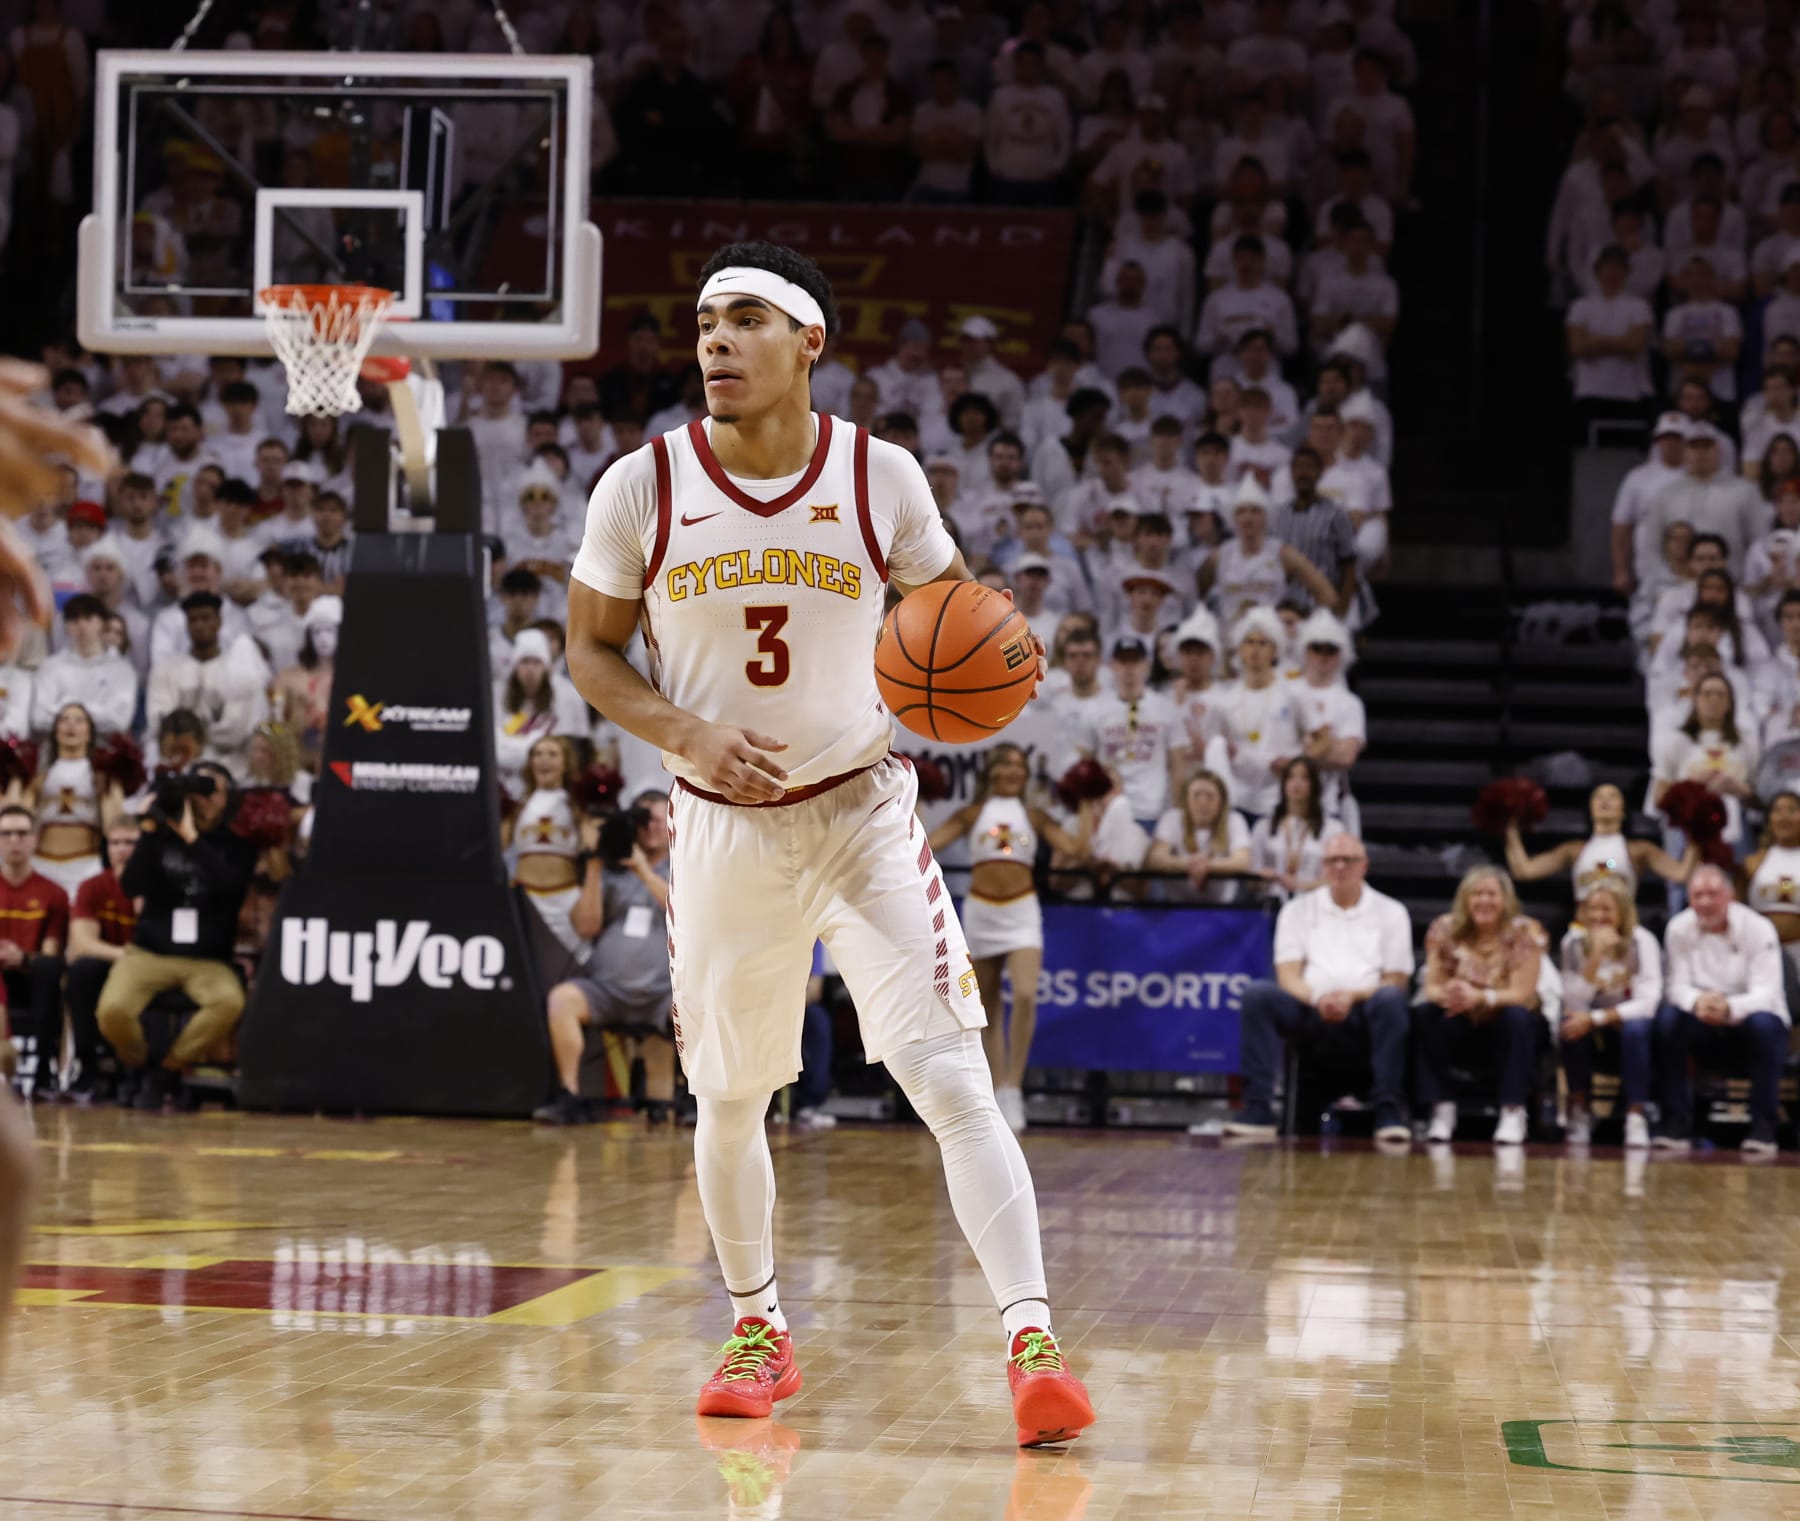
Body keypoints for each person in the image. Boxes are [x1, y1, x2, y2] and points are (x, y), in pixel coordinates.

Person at [566, 241, 1092, 1443]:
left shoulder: (881, 477)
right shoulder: (640, 486)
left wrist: (985, 667)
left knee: (949, 1076)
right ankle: (757, 1327)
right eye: (704, 321)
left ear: (809, 340)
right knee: (732, 1094)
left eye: (744, 318)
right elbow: (591, 652)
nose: (714, 341)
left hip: (861, 808)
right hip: (720, 827)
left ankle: (1031, 1339)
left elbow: (953, 622)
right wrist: (684, 731)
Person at [929, 744, 1091, 1133]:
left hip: (1021, 911)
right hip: (982, 910)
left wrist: (1085, 803)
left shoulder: (1034, 816)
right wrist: (918, 804)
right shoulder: (972, 813)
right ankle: (994, 1092)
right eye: (1007, 763)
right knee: (986, 1009)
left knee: (1024, 995)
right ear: (992, 770)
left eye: (1020, 765)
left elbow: (1076, 849)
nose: (1014, 771)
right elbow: (927, 844)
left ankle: (1013, 1087)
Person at [1227, 831, 1414, 1140]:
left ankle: (1388, 1111)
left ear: (1364, 865)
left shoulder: (1391, 912)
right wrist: (1319, 999)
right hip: (1309, 1010)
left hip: (1364, 1012)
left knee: (1392, 999)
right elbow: (1287, 975)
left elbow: (1396, 978)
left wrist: (1350, 997)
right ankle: (1257, 1109)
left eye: (1348, 860)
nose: (1340, 867)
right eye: (1332, 861)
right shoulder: (1296, 910)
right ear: (1322, 867)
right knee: (1258, 995)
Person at [95, 762, 255, 1112]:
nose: (205, 799)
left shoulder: (237, 846)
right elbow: (130, 886)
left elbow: (230, 886)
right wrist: (151, 832)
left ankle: (168, 1070)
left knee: (228, 1002)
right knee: (112, 1010)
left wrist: (193, 840)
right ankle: (138, 1064)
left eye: (213, 791)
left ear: (228, 798)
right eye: (198, 791)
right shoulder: (160, 838)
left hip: (207, 959)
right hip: (149, 952)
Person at [534, 791, 678, 1129]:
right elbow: (586, 927)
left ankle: (681, 1104)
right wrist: (596, 863)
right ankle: (568, 1095)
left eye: (659, 819)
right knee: (562, 1000)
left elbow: (683, 913)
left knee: (696, 1006)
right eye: (644, 820)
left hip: (662, 993)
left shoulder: (683, 864)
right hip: (607, 990)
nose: (652, 828)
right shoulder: (613, 871)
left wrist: (644, 872)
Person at [1656, 865, 1790, 1155]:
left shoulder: (1758, 927)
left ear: (1730, 896)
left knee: (1765, 1025)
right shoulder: (1678, 927)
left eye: (1713, 894)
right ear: (1689, 898)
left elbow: (1767, 993)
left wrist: (1728, 1006)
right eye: (1697, 895)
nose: (1705, 902)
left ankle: (1764, 1126)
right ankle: (1677, 1122)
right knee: (1668, 1021)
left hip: (1749, 1023)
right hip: (1703, 1022)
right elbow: (1675, 986)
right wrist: (1697, 1002)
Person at [1411, 866, 1547, 1146]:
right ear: (1465, 899)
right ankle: (1442, 1108)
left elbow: (1522, 993)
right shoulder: (1444, 928)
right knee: (1425, 1014)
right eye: (1477, 894)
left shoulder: (1526, 931)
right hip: (1463, 1015)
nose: (1484, 900)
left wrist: (1482, 997)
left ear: (1505, 900)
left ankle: (1513, 1111)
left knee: (1517, 1017)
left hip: (1508, 1020)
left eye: (1491, 894)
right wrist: (1450, 993)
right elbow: (1431, 986)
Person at [1558, 880, 1660, 1149]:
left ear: (1623, 913)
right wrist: (1595, 957)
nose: (1598, 916)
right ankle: (1580, 1110)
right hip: (1590, 1029)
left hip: (1627, 1027)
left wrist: (1597, 1018)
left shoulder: (1642, 941)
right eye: (1592, 909)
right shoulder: (1572, 943)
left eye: (1607, 909)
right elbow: (1573, 1001)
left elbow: (1647, 1003)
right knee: (1569, 1023)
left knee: (1635, 1028)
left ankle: (1635, 1116)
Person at [1505, 780, 1695, 901]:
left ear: (1623, 810)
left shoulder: (1639, 850)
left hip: (1625, 933)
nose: (1605, 801)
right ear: (1590, 808)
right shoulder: (1573, 850)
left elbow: (1681, 873)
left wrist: (1697, 832)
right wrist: (1510, 828)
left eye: (1612, 796)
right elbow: (1524, 870)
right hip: (1583, 933)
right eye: (1599, 797)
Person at [504, 735, 592, 961]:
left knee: (572, 961)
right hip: (526, 897)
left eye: (552, 754)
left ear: (565, 763)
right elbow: (499, 845)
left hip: (565, 898)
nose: (544, 760)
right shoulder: (519, 805)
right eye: (537, 754)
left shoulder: (576, 804)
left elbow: (592, 844)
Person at [0, 805, 67, 1098]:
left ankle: (43, 1069)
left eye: (22, 833)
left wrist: (24, 957)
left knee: (48, 970)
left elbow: (50, 954)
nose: (14, 840)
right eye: (6, 834)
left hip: (30, 979)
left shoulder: (53, 893)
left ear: (35, 840)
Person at [1146, 767, 1250, 904]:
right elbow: (1156, 858)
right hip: (1177, 908)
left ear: (1221, 801)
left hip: (1222, 907)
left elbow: (1242, 861)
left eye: (1209, 796)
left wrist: (1209, 866)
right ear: (1186, 799)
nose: (1203, 802)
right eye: (1196, 795)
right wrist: (1187, 863)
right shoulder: (1171, 818)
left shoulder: (1235, 820)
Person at [1248, 755, 1341, 898]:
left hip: (1315, 903)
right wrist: (1261, 878)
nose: (1297, 783)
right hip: (1272, 903)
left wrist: (1301, 885)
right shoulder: (1264, 826)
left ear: (1314, 784)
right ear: (1284, 783)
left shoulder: (1333, 829)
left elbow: (1337, 878)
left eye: (1304, 778)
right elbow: (1251, 877)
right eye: (1291, 777)